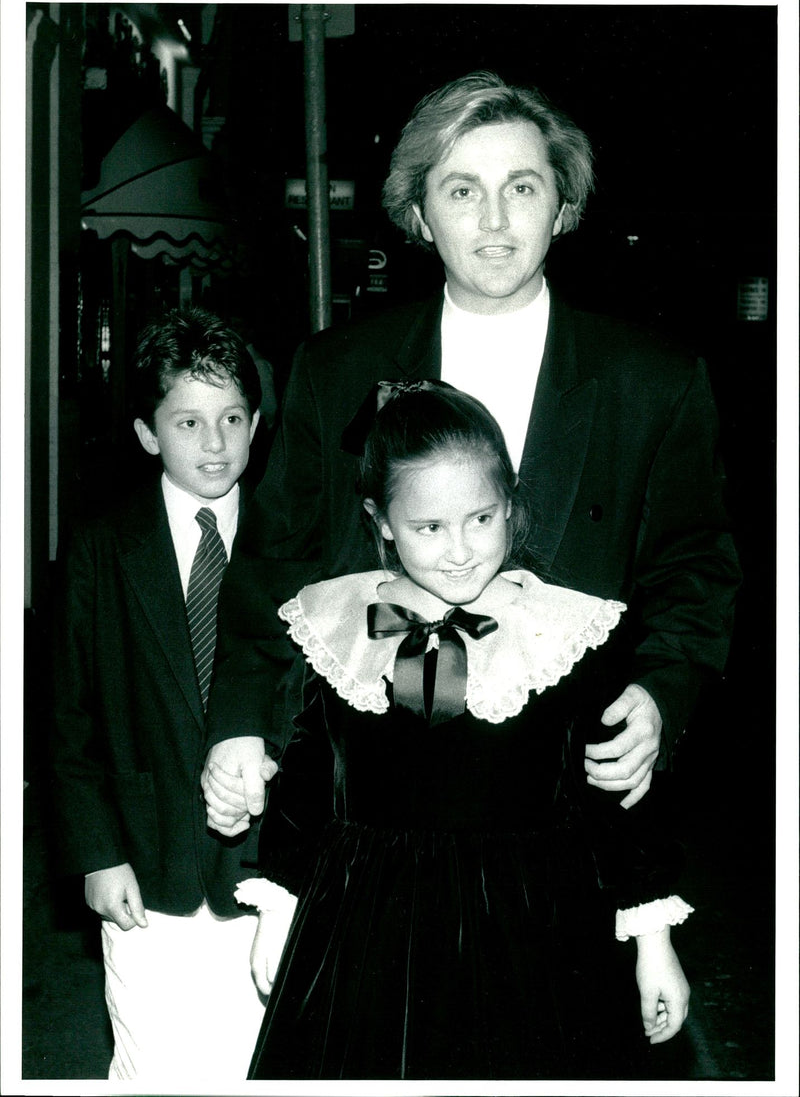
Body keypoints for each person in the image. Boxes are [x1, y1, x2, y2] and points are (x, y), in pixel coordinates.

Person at [201, 70, 740, 835]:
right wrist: (238, 723)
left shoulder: (653, 382)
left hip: (570, 803)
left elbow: (694, 567)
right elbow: (273, 567)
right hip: (371, 808)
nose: (494, 218)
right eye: (461, 190)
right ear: (420, 214)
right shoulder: (337, 370)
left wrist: (661, 694)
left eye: (521, 187)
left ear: (563, 205)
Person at [239, 381, 693, 1080]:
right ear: (381, 522)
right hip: (368, 931)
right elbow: (306, 785)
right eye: (429, 528)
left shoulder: (563, 633)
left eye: (480, 518)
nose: (459, 550)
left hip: (531, 927)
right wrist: (279, 909)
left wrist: (653, 940)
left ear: (510, 506)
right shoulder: (338, 628)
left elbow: (616, 799)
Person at [49, 308, 286, 1082]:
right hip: (144, 868)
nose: (215, 443)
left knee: (261, 1060)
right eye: (188, 422)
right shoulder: (102, 546)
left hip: (265, 868)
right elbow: (69, 714)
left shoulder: (291, 543)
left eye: (232, 419)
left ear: (256, 424)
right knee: (152, 1063)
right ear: (148, 434)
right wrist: (97, 852)